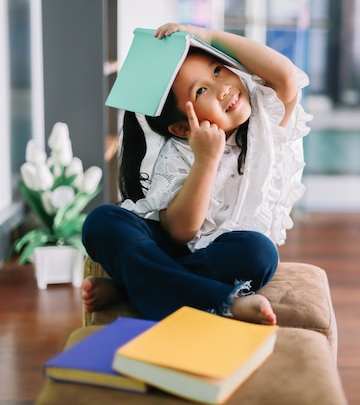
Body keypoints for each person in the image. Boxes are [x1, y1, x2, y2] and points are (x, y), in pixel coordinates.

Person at [81, 23, 311, 325]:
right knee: (102, 222)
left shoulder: (264, 120)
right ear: (183, 128)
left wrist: (209, 37)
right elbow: (180, 232)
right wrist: (206, 161)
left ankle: (130, 287)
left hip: (223, 252)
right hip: (171, 246)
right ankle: (224, 303)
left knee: (260, 254)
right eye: (201, 90)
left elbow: (286, 76)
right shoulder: (179, 152)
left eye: (217, 70)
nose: (223, 88)